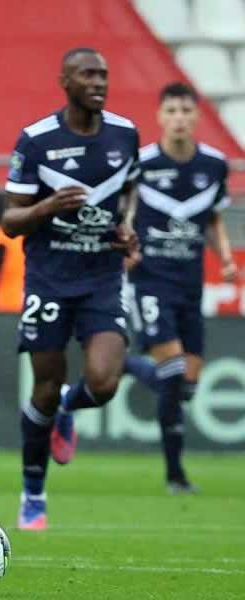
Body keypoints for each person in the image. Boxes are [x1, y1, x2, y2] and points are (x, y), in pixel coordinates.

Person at [1, 48, 140, 530]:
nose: (99, 81)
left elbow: (129, 195)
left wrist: (127, 229)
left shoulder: (125, 134)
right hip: (49, 279)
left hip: (102, 277)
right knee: (41, 388)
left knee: (103, 383)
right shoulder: (37, 141)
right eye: (88, 74)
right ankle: (33, 492)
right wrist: (46, 208)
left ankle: (68, 405)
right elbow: (10, 221)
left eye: (103, 73)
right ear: (65, 80)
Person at [123, 82, 237, 494]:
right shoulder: (143, 163)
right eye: (172, 110)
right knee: (171, 371)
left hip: (191, 282)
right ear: (160, 116)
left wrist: (224, 257)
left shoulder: (213, 164)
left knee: (186, 384)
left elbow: (213, 219)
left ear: (196, 116)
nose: (179, 118)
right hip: (150, 280)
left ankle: (125, 365)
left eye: (186, 111)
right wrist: (126, 245)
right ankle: (175, 474)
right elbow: (126, 208)